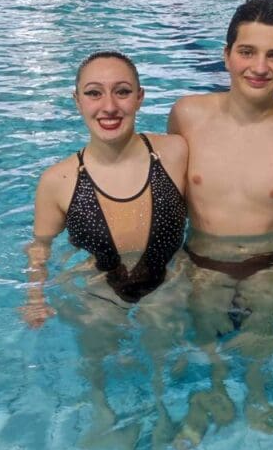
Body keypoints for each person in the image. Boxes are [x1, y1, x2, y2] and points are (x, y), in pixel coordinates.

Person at [168, 0, 273, 446]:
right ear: (226, 55)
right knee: (205, 349)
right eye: (247, 52)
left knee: (261, 348)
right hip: (200, 263)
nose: (259, 67)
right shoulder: (187, 115)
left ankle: (258, 401)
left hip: (272, 266)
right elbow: (167, 200)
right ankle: (212, 397)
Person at [22, 50, 187, 328]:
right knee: (98, 348)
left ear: (140, 97)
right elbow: (40, 247)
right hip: (97, 293)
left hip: (169, 287)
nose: (109, 106)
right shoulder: (57, 181)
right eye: (93, 93)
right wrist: (35, 298)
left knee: (165, 350)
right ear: (77, 101)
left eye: (122, 92)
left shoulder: (175, 153)